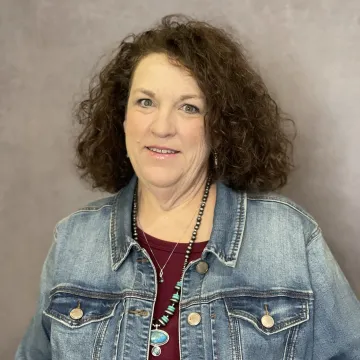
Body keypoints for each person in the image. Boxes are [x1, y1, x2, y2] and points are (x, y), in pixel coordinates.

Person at [16, 14, 360, 360]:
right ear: (121, 117)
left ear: (220, 128)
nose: (162, 127)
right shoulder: (73, 240)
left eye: (189, 107)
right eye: (145, 102)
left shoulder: (289, 236)